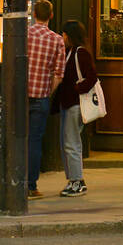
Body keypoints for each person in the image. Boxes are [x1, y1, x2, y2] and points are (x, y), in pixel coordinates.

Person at [26, 0, 66, 199]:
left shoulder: (23, 34)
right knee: (34, 142)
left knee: (15, 138)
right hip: (41, 96)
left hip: (20, 97)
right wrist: (47, 92)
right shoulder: (57, 40)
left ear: (33, 14)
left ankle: (12, 182)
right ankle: (31, 186)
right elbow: (59, 74)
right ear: (51, 15)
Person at [53, 19, 97, 197]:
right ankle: (74, 180)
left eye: (63, 34)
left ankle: (77, 181)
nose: (62, 37)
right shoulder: (71, 52)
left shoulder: (80, 53)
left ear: (68, 35)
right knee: (68, 143)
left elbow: (92, 77)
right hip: (68, 104)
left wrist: (77, 89)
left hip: (75, 104)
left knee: (71, 143)